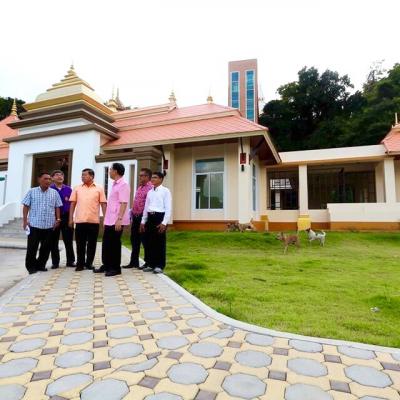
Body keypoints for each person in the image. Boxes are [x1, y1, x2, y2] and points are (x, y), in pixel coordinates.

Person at [22, 172, 63, 274]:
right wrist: (25, 221)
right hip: (34, 225)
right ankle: (31, 267)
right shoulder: (32, 191)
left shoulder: (54, 193)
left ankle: (41, 265)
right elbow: (26, 206)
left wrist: (58, 219)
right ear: (39, 179)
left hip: (49, 225)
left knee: (46, 248)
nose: (48, 181)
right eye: (45, 179)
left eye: (49, 179)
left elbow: (57, 206)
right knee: (32, 248)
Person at [94, 163, 130, 276]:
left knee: (114, 244)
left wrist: (119, 219)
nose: (109, 171)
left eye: (110, 169)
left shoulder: (123, 184)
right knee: (106, 243)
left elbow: (124, 203)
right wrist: (106, 220)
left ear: (116, 171)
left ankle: (115, 268)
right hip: (110, 219)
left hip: (117, 220)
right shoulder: (115, 184)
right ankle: (107, 265)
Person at [69, 168, 107, 272]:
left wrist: (106, 219)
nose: (82, 177)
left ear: (91, 176)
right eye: (82, 175)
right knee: (80, 244)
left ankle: (89, 263)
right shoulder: (77, 188)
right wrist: (70, 219)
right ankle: (80, 264)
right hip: (80, 221)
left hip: (93, 221)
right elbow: (72, 204)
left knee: (92, 244)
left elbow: (103, 204)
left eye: (85, 175)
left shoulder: (99, 188)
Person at [140, 171, 172, 274]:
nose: (152, 179)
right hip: (150, 217)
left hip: (160, 217)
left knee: (159, 242)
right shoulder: (150, 192)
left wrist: (164, 222)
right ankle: (151, 264)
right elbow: (146, 207)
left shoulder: (165, 191)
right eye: (152, 177)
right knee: (149, 242)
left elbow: (168, 208)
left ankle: (159, 265)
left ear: (161, 179)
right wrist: (143, 221)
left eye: (155, 177)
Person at [122, 168, 152, 270]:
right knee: (134, 240)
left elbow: (148, 205)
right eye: (140, 175)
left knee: (145, 240)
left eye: (142, 175)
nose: (140, 177)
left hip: (144, 218)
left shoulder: (150, 189)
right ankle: (134, 262)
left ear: (147, 177)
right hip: (135, 217)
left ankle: (148, 262)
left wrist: (144, 220)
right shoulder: (139, 187)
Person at [49, 170, 75, 268]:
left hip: (67, 217)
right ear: (52, 178)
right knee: (53, 241)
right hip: (53, 217)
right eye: (57, 175)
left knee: (68, 240)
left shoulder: (69, 189)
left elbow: (72, 204)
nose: (60, 177)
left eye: (61, 175)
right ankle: (55, 262)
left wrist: (71, 218)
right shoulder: (50, 189)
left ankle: (70, 261)